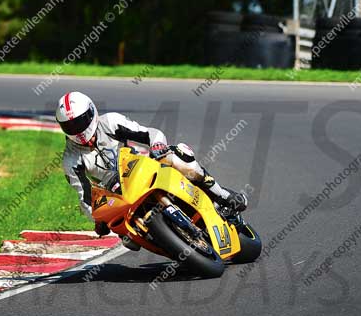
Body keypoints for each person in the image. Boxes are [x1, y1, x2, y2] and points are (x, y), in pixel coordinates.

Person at [56, 91, 247, 239]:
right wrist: (98, 220)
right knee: (125, 236)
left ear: (91, 113)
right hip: (117, 192)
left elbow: (150, 133)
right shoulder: (70, 160)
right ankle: (167, 243)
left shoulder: (110, 122)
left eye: (80, 122)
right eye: (70, 127)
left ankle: (222, 194)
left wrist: (157, 145)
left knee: (178, 156)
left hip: (139, 167)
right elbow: (85, 198)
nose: (78, 131)